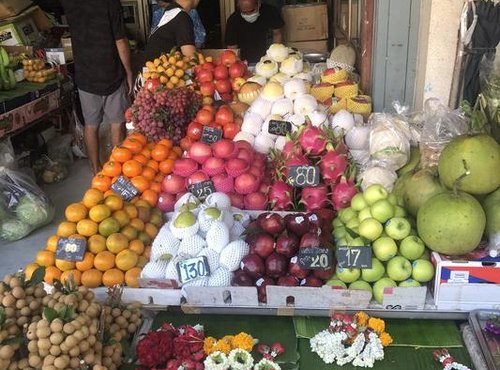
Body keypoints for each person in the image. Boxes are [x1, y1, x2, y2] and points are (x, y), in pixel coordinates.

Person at [61, 0, 133, 174]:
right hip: (111, 73)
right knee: (117, 122)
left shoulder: (70, 3)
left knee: (91, 125)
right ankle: (117, 170)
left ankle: (95, 170)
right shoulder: (110, 3)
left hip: (85, 74)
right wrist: (129, 72)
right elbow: (121, 41)